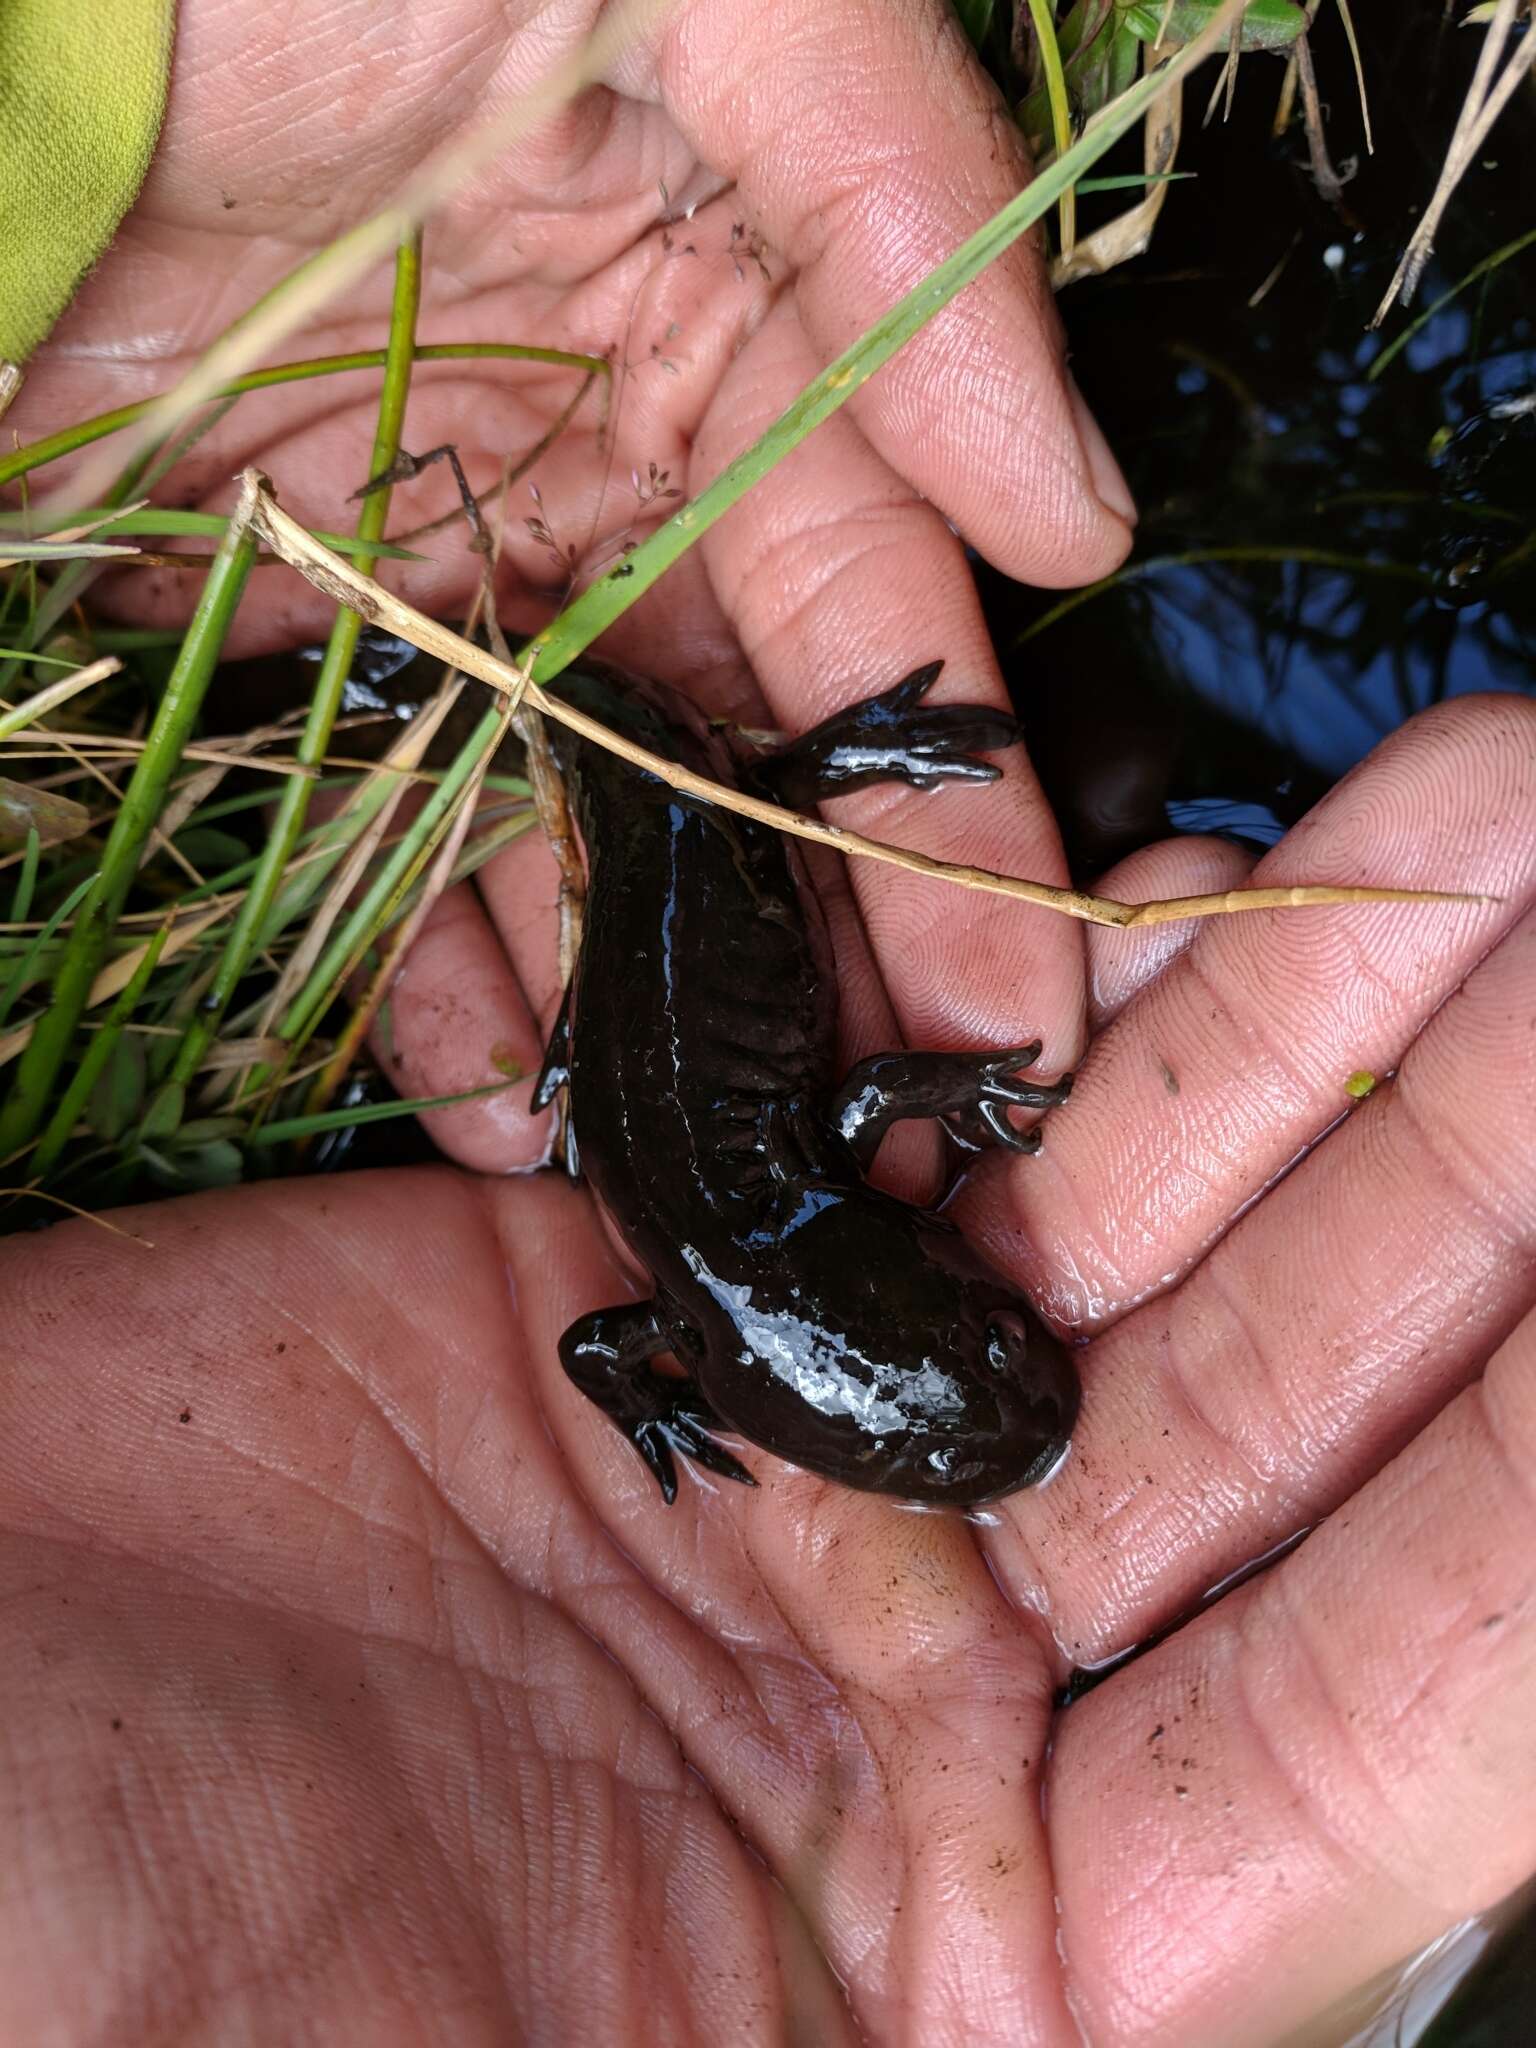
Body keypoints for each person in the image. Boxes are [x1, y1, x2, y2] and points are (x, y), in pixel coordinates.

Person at [3, 4, 1533, 2041]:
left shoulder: (778, 1244)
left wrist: (919, 1138)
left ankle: (680, 735)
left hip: (674, 838)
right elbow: (609, 1327)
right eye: (1003, 1343)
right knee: (691, 811)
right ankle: (632, 728)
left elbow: (699, 1252)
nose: (1012, 1341)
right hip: (662, 878)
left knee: (693, 799)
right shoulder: (721, 1297)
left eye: (972, 1348)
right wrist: (667, 1380)